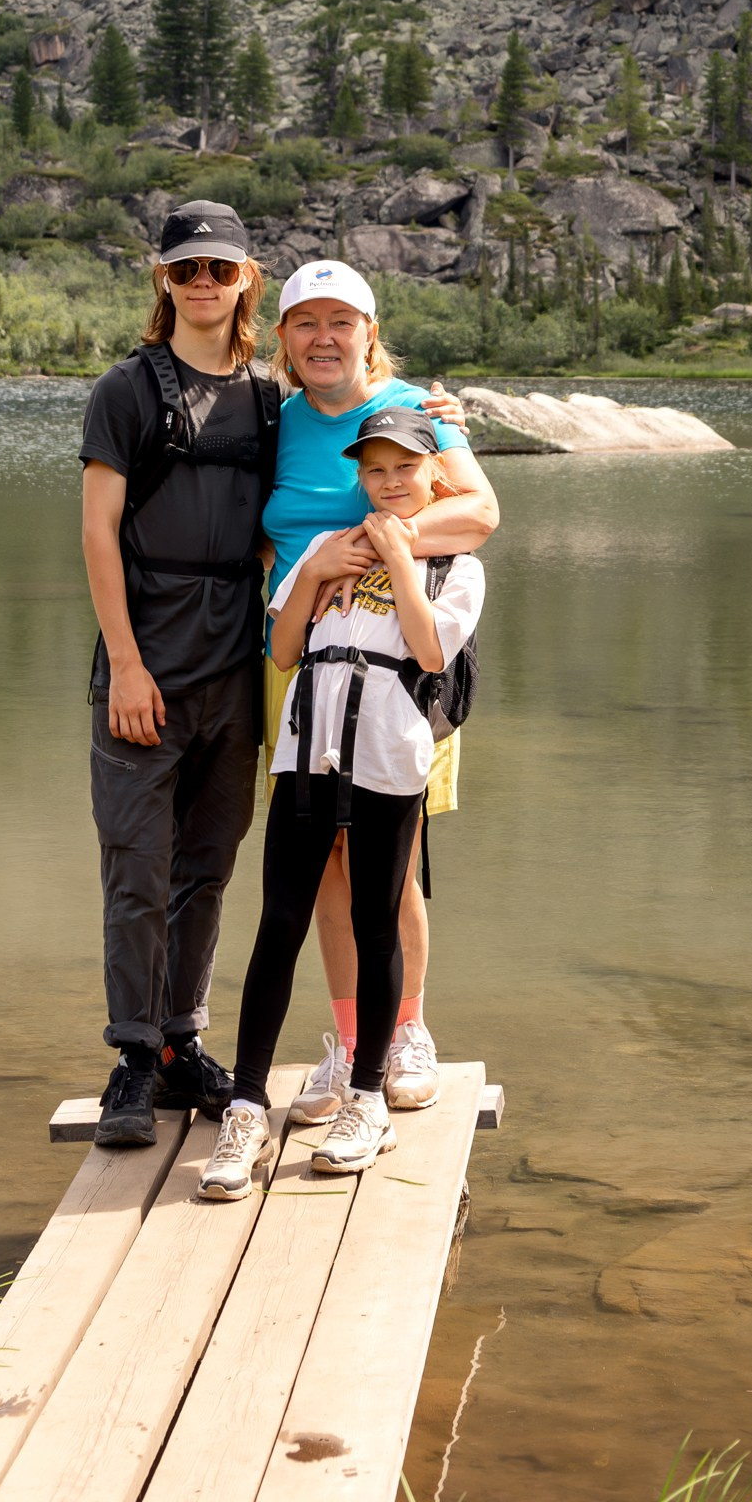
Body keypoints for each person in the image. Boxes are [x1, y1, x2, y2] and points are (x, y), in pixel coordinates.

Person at [199, 407, 485, 1195]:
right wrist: (322, 571)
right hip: (305, 757)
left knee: (374, 918)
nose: (390, 482)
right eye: (375, 469)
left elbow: (430, 651)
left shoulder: (454, 566)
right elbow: (285, 649)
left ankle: (368, 1100)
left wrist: (397, 557)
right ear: (359, 477)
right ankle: (248, 1106)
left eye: (405, 468)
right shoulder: (324, 551)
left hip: (390, 761)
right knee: (279, 923)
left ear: (435, 476)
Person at [261, 260, 498, 1123]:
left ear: (370, 329)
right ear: (282, 338)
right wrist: (307, 572)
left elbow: (476, 515)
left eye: (342, 321)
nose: (324, 337)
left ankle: (405, 1033)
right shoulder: (274, 420)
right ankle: (346, 1038)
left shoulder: (416, 412)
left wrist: (354, 548)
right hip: (299, 664)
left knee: (390, 864)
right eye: (305, 322)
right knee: (322, 858)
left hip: (401, 664)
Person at [79, 200, 280, 1147]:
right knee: (137, 874)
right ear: (163, 279)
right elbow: (96, 534)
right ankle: (129, 1059)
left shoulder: (272, 399)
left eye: (220, 269)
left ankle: (179, 1045)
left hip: (235, 675)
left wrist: (435, 419)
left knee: (207, 868)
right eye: (186, 269)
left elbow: (365, 446)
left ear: (248, 278)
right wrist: (124, 662)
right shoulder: (126, 392)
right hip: (145, 672)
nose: (204, 283)